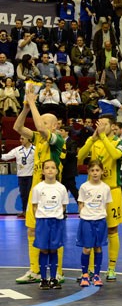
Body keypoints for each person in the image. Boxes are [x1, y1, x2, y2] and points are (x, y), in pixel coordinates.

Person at [13, 93, 66, 285]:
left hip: (51, 194)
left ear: (54, 126)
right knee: (31, 231)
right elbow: (17, 127)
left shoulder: (57, 142)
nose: (39, 123)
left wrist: (34, 103)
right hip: (36, 193)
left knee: (54, 233)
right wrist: (26, 108)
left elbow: (40, 128)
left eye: (44, 121)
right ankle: (35, 270)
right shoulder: (38, 139)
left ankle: (57, 271)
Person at [77, 116, 122, 281]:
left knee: (112, 230)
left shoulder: (120, 142)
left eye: (104, 124)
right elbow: (79, 158)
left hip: (112, 190)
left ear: (113, 127)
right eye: (98, 124)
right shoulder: (93, 141)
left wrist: (103, 136)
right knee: (90, 230)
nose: (99, 126)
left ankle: (111, 268)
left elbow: (114, 156)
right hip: (92, 191)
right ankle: (90, 269)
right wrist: (91, 140)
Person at [32, 159, 68, 290]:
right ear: (42, 171)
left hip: (56, 221)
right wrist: (41, 217)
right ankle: (43, 279)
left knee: (54, 249)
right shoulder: (38, 188)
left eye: (53, 167)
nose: (50, 170)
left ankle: (53, 278)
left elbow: (63, 206)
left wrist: (56, 214)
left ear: (57, 170)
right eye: (47, 168)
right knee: (43, 249)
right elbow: (34, 205)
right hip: (42, 221)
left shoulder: (61, 188)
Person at [76, 160, 112, 287]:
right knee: (86, 248)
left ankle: (96, 275)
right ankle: (85, 275)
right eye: (92, 170)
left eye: (97, 170)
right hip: (87, 220)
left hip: (100, 220)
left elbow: (106, 204)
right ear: (88, 172)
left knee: (98, 247)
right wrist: (84, 215)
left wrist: (100, 215)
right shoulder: (84, 187)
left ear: (102, 171)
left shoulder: (106, 188)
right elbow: (81, 203)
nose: (95, 173)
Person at [1, 135, 34, 217]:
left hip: (32, 176)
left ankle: (32, 212)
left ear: (29, 139)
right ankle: (24, 211)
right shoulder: (17, 150)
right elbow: (6, 157)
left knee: (32, 195)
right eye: (20, 138)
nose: (20, 140)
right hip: (21, 176)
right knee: (23, 195)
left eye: (22, 138)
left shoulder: (36, 149)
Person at [57, 126, 79, 204]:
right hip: (61, 171)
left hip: (69, 171)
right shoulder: (58, 142)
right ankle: (62, 212)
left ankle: (82, 206)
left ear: (67, 132)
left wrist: (63, 150)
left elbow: (73, 153)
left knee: (74, 191)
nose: (60, 132)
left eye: (61, 130)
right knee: (62, 192)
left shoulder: (72, 142)